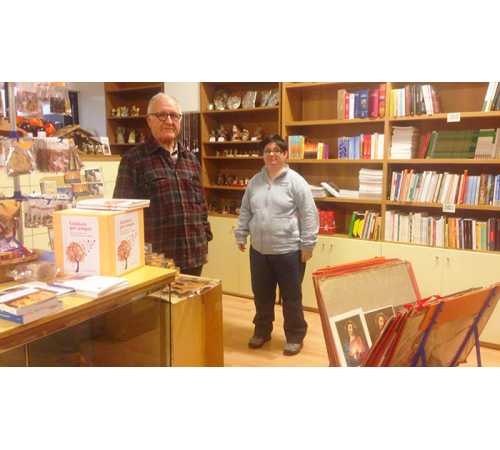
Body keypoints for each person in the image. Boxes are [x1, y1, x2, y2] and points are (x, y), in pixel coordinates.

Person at [234, 134, 319, 356]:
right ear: (263, 155)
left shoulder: (296, 182)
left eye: (276, 151)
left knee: (291, 297)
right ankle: (262, 331)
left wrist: (308, 245)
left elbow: (309, 214)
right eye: (267, 151)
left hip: (289, 251)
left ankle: (295, 336)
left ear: (285, 154)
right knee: (262, 295)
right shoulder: (255, 182)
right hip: (259, 251)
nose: (272, 155)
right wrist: (241, 234)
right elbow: (246, 210)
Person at [113, 93, 212, 276]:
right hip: (156, 260)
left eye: (174, 115)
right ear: (149, 120)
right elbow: (122, 213)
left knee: (192, 296)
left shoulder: (191, 160)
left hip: (194, 254)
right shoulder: (133, 160)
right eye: (162, 115)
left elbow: (201, 205)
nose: (169, 121)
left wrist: (205, 236)